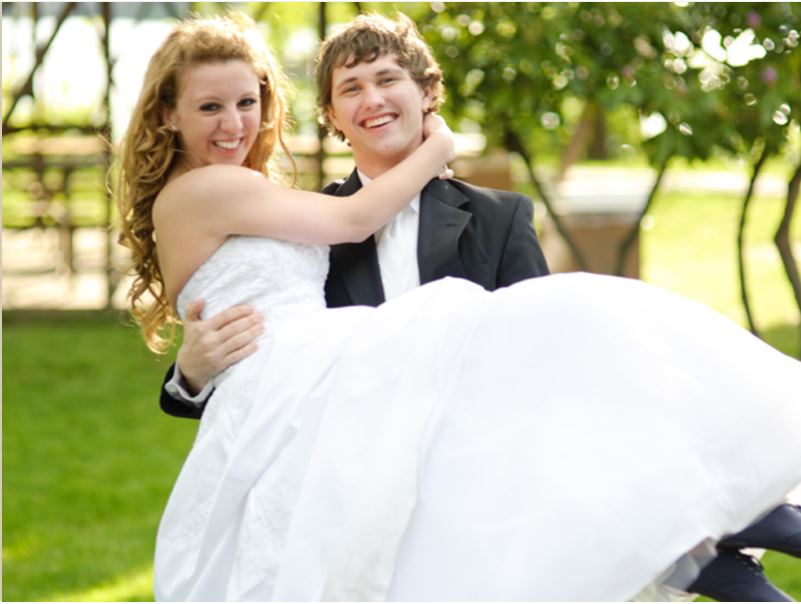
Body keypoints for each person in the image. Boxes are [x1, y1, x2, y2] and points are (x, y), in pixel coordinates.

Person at [117, 12, 801, 602]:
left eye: (388, 80)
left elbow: (547, 362)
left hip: (483, 465)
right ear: (329, 115)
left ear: (425, 92)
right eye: (350, 88)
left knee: (570, 329)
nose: (232, 122)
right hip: (344, 454)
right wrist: (192, 375)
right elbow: (265, 347)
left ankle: (747, 512)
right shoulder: (305, 215)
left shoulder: (495, 218)